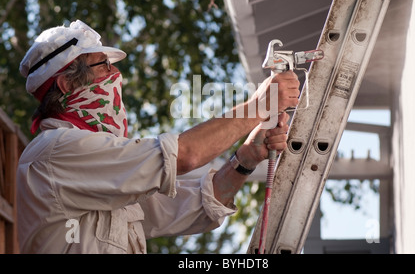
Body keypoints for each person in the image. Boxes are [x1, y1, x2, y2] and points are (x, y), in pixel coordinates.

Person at [17, 20, 300, 254]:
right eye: (102, 65)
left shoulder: (98, 167)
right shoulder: (57, 150)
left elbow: (192, 207)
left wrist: (245, 159)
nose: (114, 74)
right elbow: (186, 154)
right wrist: (259, 106)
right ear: (66, 84)